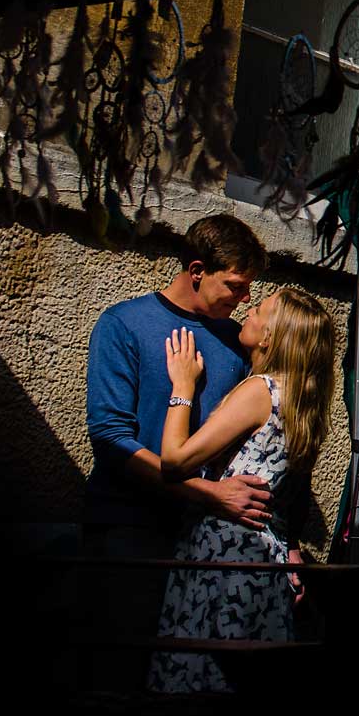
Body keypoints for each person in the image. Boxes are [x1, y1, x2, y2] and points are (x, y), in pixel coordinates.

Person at [82, 214, 273, 691]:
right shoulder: (124, 325)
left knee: (192, 680)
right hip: (132, 529)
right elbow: (110, 440)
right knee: (123, 671)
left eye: (249, 288)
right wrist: (208, 494)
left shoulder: (237, 339)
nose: (243, 298)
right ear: (196, 271)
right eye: (233, 285)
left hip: (207, 541)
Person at [149, 286, 337, 693]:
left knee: (198, 682)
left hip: (224, 554)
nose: (247, 312)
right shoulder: (302, 400)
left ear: (270, 337)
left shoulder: (261, 391)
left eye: (259, 311)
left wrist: (182, 386)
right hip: (262, 561)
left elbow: (174, 461)